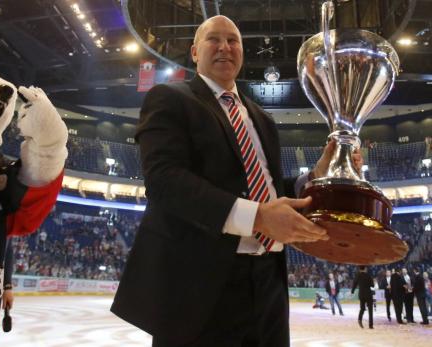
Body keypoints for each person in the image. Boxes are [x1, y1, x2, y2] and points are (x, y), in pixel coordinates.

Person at [110, 15, 359, 347]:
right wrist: (257, 217)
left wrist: (315, 176)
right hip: (199, 286)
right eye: (214, 39)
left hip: (269, 281)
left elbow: (267, 192)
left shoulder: (263, 119)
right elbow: (164, 180)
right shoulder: (170, 98)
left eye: (233, 40)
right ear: (195, 51)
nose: (225, 47)